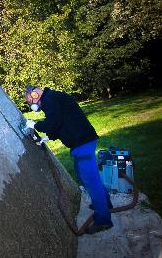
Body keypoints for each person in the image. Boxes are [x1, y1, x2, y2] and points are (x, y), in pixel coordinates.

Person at [24, 85, 114, 235]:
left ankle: (103, 220)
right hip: (83, 141)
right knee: (87, 175)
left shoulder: (51, 100)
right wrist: (48, 137)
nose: (31, 104)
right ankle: (106, 203)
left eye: (30, 101)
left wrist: (35, 124)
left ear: (35, 93)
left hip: (82, 143)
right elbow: (62, 123)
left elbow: (53, 123)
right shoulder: (52, 99)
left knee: (90, 180)